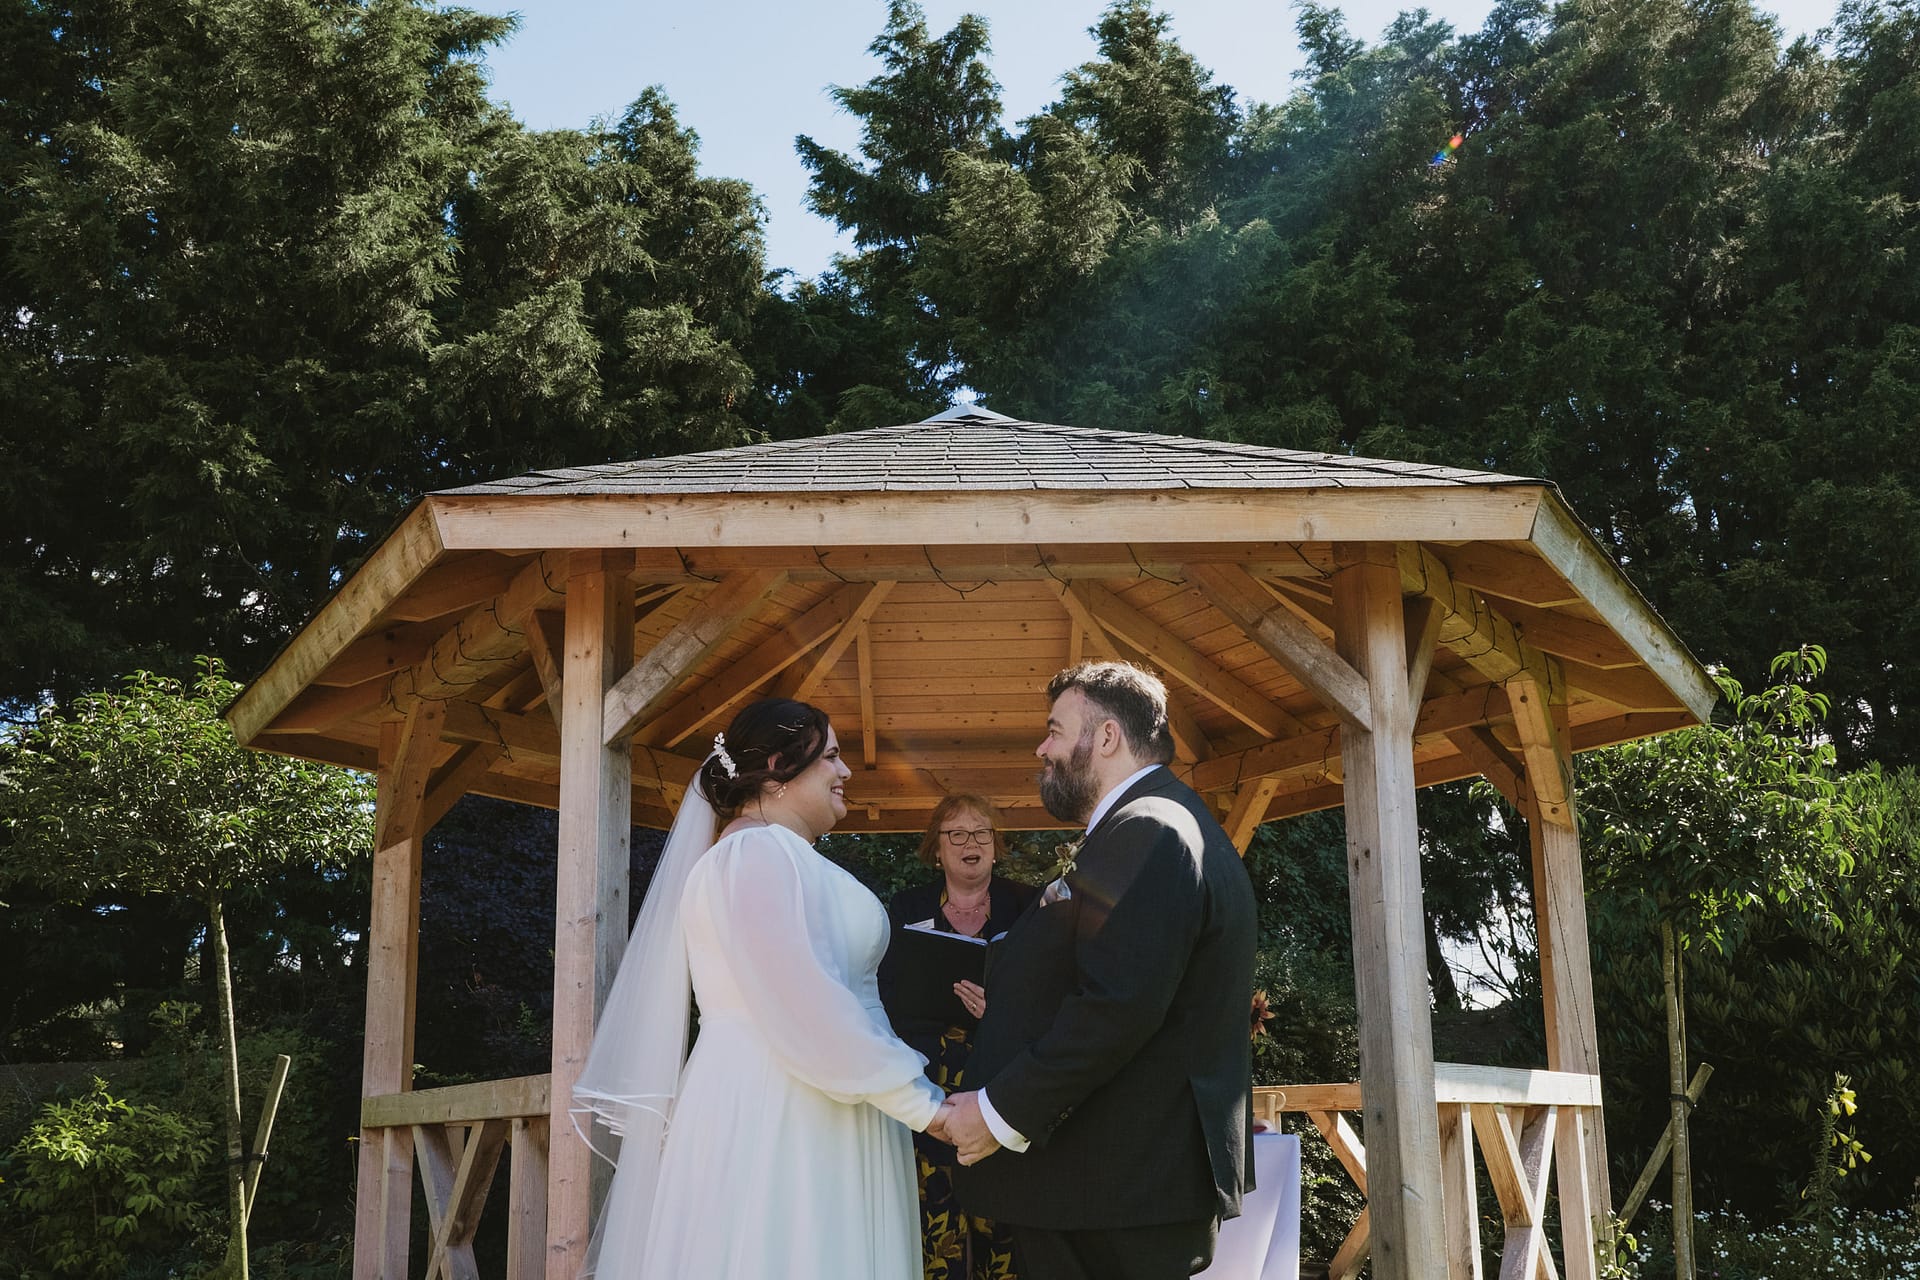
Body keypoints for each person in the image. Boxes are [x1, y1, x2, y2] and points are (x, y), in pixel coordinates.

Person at [572, 698, 945, 1280]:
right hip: (781, 1111)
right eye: (831, 757)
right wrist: (925, 1106)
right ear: (777, 770)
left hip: (826, 1099)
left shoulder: (778, 856)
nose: (846, 771)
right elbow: (805, 1004)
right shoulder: (752, 856)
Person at [932, 661, 1259, 1280]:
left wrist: (1000, 1114)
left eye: (1055, 730)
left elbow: (1115, 1006)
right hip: (1109, 1189)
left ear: (1106, 737)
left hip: (1111, 1188)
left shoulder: (1150, 830)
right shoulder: (1164, 822)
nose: (1043, 748)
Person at [879, 795, 1038, 1280]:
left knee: (1003, 1211)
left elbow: (1054, 996)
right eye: (957, 834)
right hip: (929, 1083)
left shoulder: (1028, 906)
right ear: (937, 848)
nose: (972, 843)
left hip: (999, 1077)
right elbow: (885, 992)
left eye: (982, 832)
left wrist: (1001, 1011)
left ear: (996, 844)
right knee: (935, 1212)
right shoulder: (907, 908)